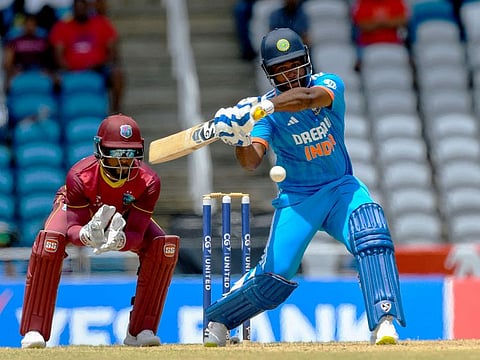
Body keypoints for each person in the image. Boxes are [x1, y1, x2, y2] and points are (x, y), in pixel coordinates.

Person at [203, 28, 406, 346]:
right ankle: (218, 320)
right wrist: (239, 136)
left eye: (295, 63)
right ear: (269, 74)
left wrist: (262, 108)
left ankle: (384, 321)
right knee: (275, 275)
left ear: (306, 61)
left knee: (372, 232)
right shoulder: (264, 115)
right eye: (281, 69)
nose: (291, 73)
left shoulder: (326, 85)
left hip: (341, 190)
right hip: (299, 200)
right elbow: (251, 160)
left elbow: (308, 99)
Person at [19, 114, 180, 348]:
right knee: (49, 244)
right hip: (80, 209)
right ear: (101, 149)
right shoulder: (79, 176)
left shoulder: (148, 181)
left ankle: (140, 331)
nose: (124, 162)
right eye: (117, 153)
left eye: (130, 154)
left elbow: (137, 229)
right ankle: (35, 330)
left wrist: (121, 241)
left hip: (123, 213)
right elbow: (73, 227)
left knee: (163, 247)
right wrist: (85, 235)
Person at [49, 0, 124, 113]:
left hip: (97, 68)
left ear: (87, 7)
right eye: (77, 6)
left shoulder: (101, 23)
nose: (80, 9)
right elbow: (58, 55)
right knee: (53, 81)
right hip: (70, 71)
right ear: (73, 8)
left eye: (82, 6)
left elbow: (112, 49)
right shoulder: (62, 26)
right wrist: (70, 68)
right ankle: (59, 115)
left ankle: (115, 111)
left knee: (117, 75)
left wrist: (101, 64)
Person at [2, 12, 55, 92]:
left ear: (36, 26)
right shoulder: (14, 41)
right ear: (23, 26)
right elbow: (7, 63)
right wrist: (12, 70)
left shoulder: (43, 41)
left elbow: (50, 61)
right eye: (28, 25)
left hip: (39, 72)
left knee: (56, 80)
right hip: (20, 71)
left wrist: (49, 71)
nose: (30, 27)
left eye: (32, 25)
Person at [351, 0, 410, 70]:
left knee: (405, 59)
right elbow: (362, 25)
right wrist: (387, 23)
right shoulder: (363, 2)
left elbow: (402, 20)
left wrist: (378, 23)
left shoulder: (395, 1)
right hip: (367, 44)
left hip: (393, 43)